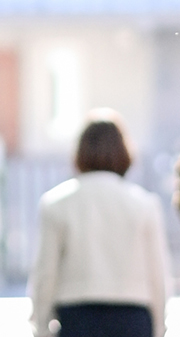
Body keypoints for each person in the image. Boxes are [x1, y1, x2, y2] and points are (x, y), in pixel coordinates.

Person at [28, 111, 171, 337]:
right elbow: (158, 274)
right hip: (133, 319)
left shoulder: (56, 204)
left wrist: (42, 327)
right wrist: (159, 327)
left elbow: (45, 274)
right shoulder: (144, 204)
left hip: (79, 319)